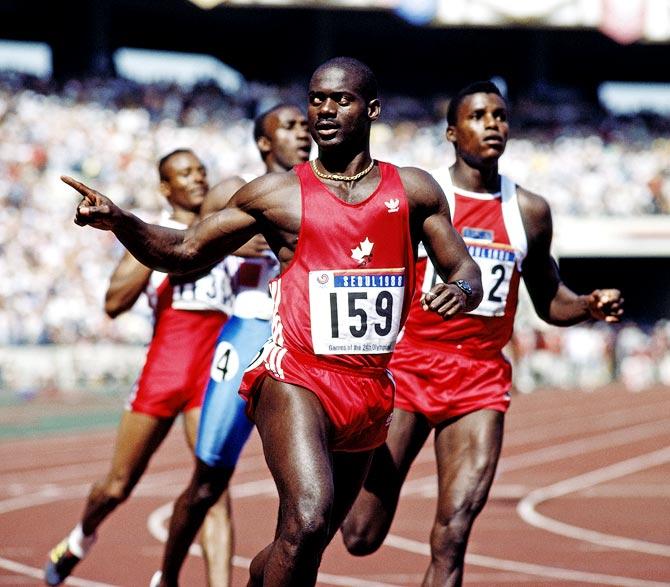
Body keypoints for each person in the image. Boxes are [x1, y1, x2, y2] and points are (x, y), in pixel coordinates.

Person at [62, 57, 484, 587]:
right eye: (316, 99)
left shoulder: (416, 191)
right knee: (307, 519)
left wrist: (462, 289)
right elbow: (187, 248)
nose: (324, 110)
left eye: (341, 100)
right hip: (295, 378)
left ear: (372, 110)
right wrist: (121, 221)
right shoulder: (279, 196)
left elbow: (463, 265)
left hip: (371, 386)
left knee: (308, 541)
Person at [340, 80, 624, 586]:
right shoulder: (424, 197)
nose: (493, 124)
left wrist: (586, 305)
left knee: (452, 535)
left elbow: (549, 299)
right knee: (360, 535)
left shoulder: (529, 211)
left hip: (478, 381)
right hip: (408, 369)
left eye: (500, 115)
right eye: (478, 116)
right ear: (452, 132)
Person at [44, 149, 234, 586]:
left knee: (213, 489)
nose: (197, 179)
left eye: (201, 170)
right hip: (163, 374)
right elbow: (113, 303)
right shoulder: (152, 234)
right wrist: (157, 250)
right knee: (116, 486)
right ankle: (80, 536)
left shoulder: (227, 230)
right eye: (184, 173)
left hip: (210, 377)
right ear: (165, 188)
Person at [150, 104, 312, 587]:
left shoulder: (325, 190)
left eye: (305, 125)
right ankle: (169, 576)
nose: (302, 133)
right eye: (288, 127)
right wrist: (235, 242)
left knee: (307, 498)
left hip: (303, 341)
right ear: (264, 142)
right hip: (246, 332)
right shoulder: (233, 190)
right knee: (207, 483)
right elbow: (188, 243)